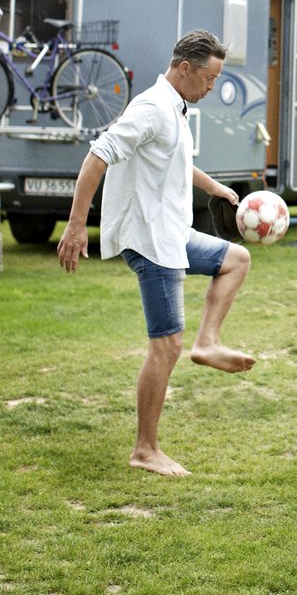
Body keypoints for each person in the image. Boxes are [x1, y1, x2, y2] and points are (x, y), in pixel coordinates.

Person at [56, 30, 254, 478]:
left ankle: (208, 342)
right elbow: (97, 156)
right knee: (165, 347)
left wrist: (214, 187)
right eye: (209, 77)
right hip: (150, 240)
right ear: (186, 68)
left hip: (172, 233)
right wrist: (74, 227)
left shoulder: (175, 107)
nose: (211, 86)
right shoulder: (151, 107)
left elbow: (175, 160)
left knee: (236, 260)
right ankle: (145, 449)